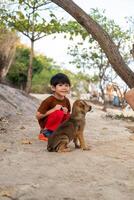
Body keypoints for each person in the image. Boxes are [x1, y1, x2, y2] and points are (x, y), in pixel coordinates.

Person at [36, 73, 71, 141]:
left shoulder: (66, 100)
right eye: (60, 85)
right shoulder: (49, 100)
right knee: (58, 112)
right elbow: (38, 116)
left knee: (68, 115)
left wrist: (66, 112)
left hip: (57, 124)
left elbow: (68, 115)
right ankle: (45, 133)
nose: (64, 88)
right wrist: (53, 109)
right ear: (53, 88)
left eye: (66, 85)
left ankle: (59, 132)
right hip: (46, 123)